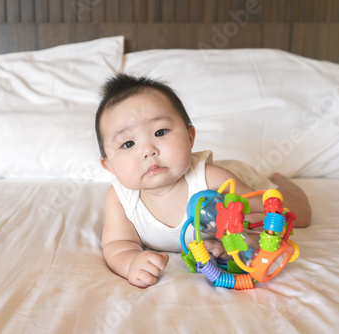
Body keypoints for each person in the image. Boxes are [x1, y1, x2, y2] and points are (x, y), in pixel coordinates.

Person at [95, 73, 312, 288]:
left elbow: (263, 214)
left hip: (240, 179)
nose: (148, 150)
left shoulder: (213, 179)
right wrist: (131, 261)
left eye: (160, 132)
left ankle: (282, 181)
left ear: (190, 138)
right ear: (109, 166)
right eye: (128, 144)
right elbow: (118, 245)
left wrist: (234, 241)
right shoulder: (120, 199)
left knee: (298, 215)